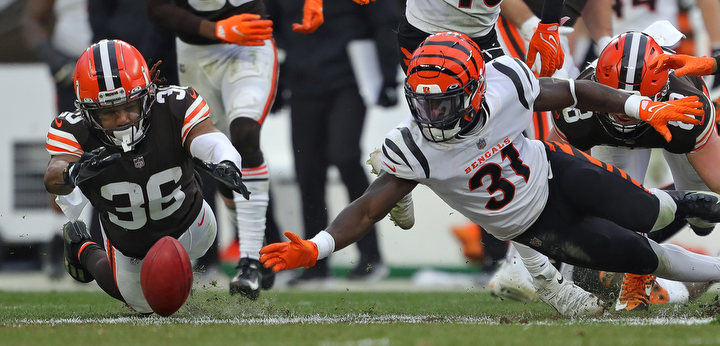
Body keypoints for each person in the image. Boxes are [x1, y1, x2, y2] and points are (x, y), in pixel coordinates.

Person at [258, 31, 720, 317]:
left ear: (476, 88)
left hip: (559, 172)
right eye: (424, 101)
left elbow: (577, 91)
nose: (433, 113)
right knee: (642, 258)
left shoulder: (505, 85)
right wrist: (319, 246)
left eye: (444, 101)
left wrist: (640, 106)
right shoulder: (416, 146)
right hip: (538, 228)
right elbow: (365, 209)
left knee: (654, 211)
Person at [44, 39, 251, 313]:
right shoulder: (73, 129)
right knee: (146, 305)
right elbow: (54, 175)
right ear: (88, 112)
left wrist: (225, 160)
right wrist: (73, 171)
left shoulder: (175, 105)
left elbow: (208, 138)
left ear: (148, 93)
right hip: (129, 242)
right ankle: (83, 248)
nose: (123, 119)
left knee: (171, 275)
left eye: (130, 105)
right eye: (108, 112)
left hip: (192, 223)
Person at [547, 31, 720, 311]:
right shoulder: (579, 107)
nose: (628, 112)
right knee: (619, 217)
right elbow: (549, 174)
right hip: (612, 142)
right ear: (600, 85)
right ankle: (637, 276)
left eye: (639, 100)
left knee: (704, 213)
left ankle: (636, 264)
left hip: (673, 120)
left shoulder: (687, 104)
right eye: (618, 99)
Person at [147, 0, 286, 298]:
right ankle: (254, 239)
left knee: (245, 134)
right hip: (196, 53)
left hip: (249, 46)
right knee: (219, 159)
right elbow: (156, 8)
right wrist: (216, 28)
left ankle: (248, 260)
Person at [266, 0, 398, 283]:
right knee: (307, 170)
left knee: (345, 155)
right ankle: (315, 262)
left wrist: (389, 76)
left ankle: (371, 257)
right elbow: (269, 27)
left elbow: (384, 20)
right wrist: (275, 81)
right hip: (303, 81)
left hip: (349, 78)